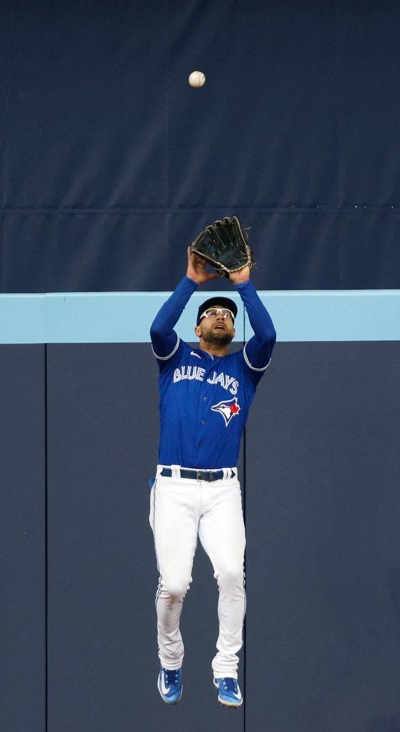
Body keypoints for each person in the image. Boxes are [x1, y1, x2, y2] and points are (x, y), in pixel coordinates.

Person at [148, 245, 276, 708]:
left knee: (230, 574)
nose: (221, 316)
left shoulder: (245, 368)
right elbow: (159, 327)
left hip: (222, 488)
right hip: (174, 486)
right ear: (199, 326)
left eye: (228, 313)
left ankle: (226, 669)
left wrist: (242, 285)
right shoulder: (173, 358)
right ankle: (171, 659)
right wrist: (192, 282)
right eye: (212, 313)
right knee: (176, 585)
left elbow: (270, 333)